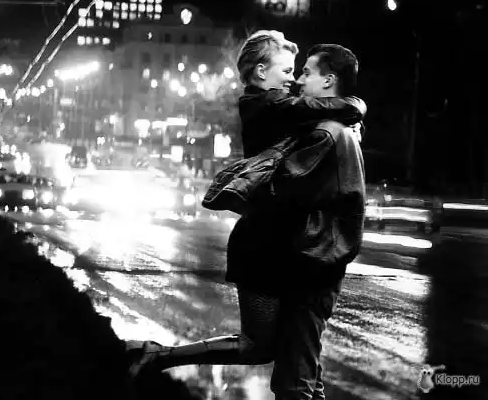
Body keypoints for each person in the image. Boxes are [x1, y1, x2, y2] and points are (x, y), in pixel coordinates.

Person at [128, 33, 366, 400]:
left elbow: (306, 190)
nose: (295, 79)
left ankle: (158, 356)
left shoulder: (323, 130)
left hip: (290, 251)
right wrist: (352, 106)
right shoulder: (270, 106)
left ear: (328, 79)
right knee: (280, 358)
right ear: (261, 72)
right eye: (290, 71)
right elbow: (290, 184)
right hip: (270, 248)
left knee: (286, 360)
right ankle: (157, 356)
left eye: (302, 72)